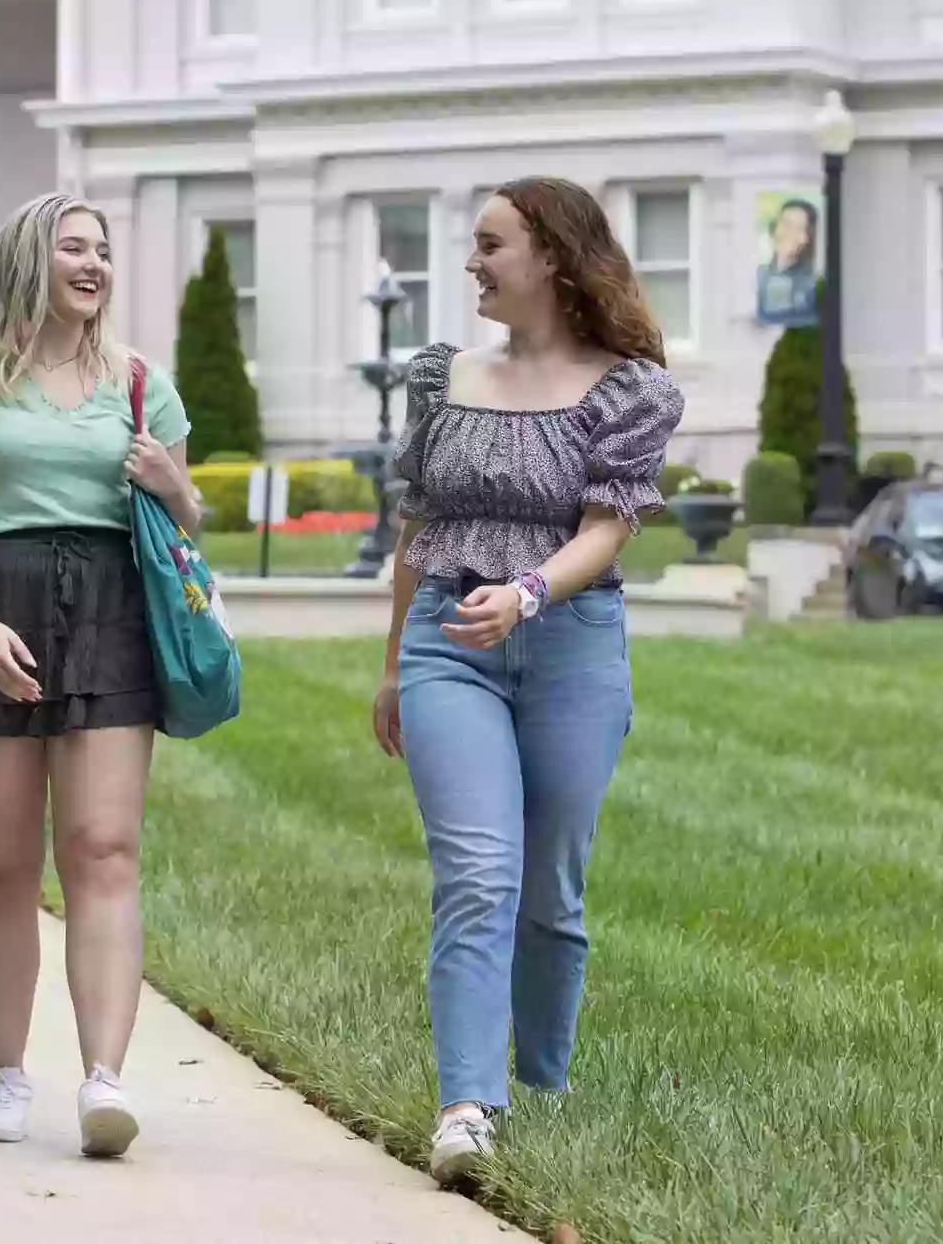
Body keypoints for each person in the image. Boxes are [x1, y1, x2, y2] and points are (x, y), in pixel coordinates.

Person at [369, 175, 684, 1183]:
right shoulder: (438, 378)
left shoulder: (628, 386)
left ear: (552, 256)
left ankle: (542, 1085)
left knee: (549, 888)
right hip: (447, 641)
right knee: (477, 876)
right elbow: (414, 530)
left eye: (491, 244)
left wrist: (532, 593)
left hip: (571, 642)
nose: (473, 261)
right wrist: (391, 669)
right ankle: (466, 1107)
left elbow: (608, 527)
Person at [0, 192, 199, 1158]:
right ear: (31, 257)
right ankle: (4, 1072)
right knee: (0, 864)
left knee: (103, 850)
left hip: (111, 612)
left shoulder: (141, 380)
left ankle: (105, 1079)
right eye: (75, 247)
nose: (94, 264)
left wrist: (172, 484)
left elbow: (185, 525)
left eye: (103, 251)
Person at [755, 197, 819, 327]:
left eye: (797, 228)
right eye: (785, 224)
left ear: (807, 237)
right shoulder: (758, 274)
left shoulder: (813, 283)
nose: (787, 233)